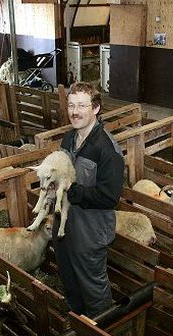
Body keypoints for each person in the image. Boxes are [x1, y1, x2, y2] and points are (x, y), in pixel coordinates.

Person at [53, 82, 125, 318]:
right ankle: (77, 323)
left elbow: (109, 197)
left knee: (93, 286)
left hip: (91, 231)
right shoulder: (68, 140)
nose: (75, 111)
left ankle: (103, 332)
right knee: (69, 278)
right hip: (65, 226)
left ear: (95, 108)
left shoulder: (107, 149)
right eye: (71, 105)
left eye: (81, 106)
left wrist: (71, 191)